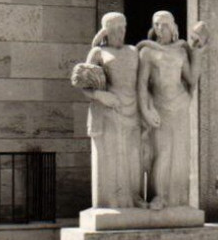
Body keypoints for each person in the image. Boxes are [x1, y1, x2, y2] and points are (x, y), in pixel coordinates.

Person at [73, 12, 145, 208]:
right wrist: (101, 96)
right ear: (107, 31)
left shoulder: (133, 51)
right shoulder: (98, 52)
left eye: (124, 28)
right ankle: (113, 201)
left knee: (133, 156)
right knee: (113, 156)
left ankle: (133, 197)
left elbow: (142, 82)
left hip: (132, 109)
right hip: (109, 111)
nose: (121, 32)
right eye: (116, 29)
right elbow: (83, 82)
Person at [137, 12, 207, 209]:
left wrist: (199, 52)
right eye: (157, 25)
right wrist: (146, 110)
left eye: (164, 25)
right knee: (162, 151)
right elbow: (142, 85)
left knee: (180, 153)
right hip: (160, 106)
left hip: (180, 105)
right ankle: (159, 196)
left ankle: (177, 198)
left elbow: (192, 78)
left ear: (173, 27)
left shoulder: (180, 51)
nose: (160, 28)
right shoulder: (147, 52)